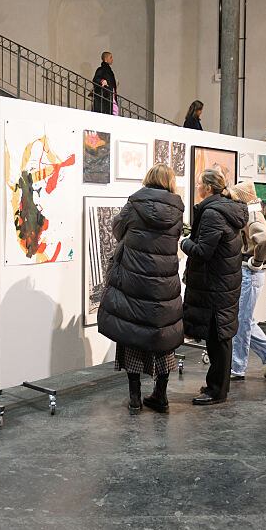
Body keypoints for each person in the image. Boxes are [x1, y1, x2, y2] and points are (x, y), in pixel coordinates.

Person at [98, 163, 185, 413]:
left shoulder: (135, 204)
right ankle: (161, 396)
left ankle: (135, 399)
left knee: (132, 335)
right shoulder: (177, 209)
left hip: (135, 279)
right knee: (163, 335)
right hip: (164, 281)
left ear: (148, 178)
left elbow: (117, 229)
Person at [181, 169, 248, 405]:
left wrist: (184, 243)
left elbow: (203, 251)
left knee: (218, 339)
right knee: (219, 338)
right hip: (223, 283)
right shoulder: (226, 209)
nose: (197, 186)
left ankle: (217, 391)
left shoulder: (212, 214)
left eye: (199, 183)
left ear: (208, 188)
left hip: (216, 286)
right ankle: (217, 386)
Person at [228, 181, 266, 380]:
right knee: (245, 320)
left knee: (241, 322)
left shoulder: (252, 216)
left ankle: (237, 368)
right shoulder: (254, 212)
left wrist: (256, 262)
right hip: (250, 274)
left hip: (250, 273)